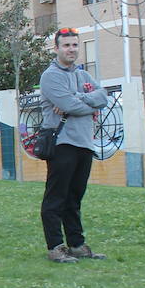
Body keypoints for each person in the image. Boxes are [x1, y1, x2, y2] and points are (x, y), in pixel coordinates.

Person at [39, 27, 109, 263]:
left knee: (75, 197)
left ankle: (77, 245)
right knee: (56, 197)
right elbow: (70, 104)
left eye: (75, 45)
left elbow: (103, 97)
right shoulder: (51, 76)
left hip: (84, 143)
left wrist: (77, 99)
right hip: (62, 144)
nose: (71, 49)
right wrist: (82, 103)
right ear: (56, 48)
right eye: (66, 45)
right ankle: (56, 247)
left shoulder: (82, 75)